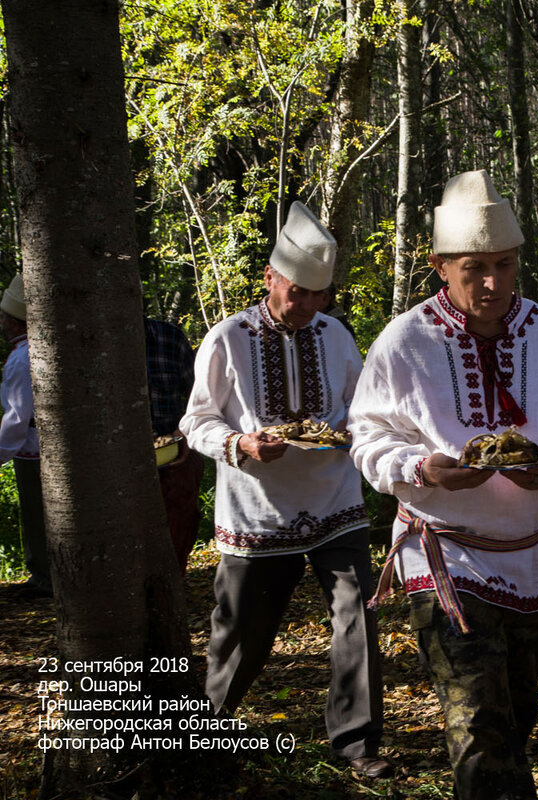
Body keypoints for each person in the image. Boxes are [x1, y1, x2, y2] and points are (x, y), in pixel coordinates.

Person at [348, 169, 538, 800]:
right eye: (475, 268)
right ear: (441, 265)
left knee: (516, 712)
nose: (493, 283)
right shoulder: (404, 340)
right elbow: (366, 435)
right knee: (478, 725)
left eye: (505, 265)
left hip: (537, 554)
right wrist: (419, 468)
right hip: (445, 555)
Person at [179, 201, 389, 779]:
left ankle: (355, 745)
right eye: (295, 291)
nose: (305, 305)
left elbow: (362, 407)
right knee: (242, 630)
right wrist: (241, 445)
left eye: (317, 295)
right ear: (270, 278)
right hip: (257, 511)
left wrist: (349, 431)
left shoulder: (337, 337)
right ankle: (203, 736)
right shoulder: (226, 339)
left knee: (357, 615)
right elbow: (196, 421)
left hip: (334, 501)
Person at [0, 274, 50, 598]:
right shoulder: (37, 349)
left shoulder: (21, 357)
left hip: (32, 451)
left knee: (37, 515)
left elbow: (18, 418)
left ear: (15, 321)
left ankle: (46, 579)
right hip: (38, 447)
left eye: (4, 317)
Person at [144, 315, 204, 574]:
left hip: (173, 453)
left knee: (180, 520)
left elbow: (200, 395)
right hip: (114, 459)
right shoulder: (90, 341)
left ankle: (172, 585)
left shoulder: (168, 337)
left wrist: (184, 433)